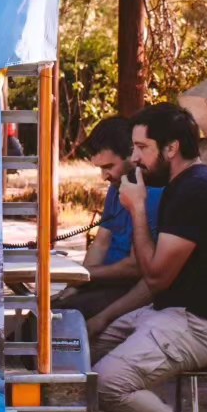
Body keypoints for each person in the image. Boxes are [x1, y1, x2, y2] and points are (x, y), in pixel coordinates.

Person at [93, 103, 207, 412]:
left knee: (108, 382)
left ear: (171, 148)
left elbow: (154, 275)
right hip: (175, 311)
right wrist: (105, 317)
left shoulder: (196, 192)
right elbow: (156, 283)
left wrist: (137, 208)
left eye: (141, 148)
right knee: (84, 344)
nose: (134, 158)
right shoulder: (180, 186)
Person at [54, 116, 163, 321]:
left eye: (109, 167)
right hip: (103, 281)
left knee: (65, 317)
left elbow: (134, 267)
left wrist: (83, 274)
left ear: (132, 156)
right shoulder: (116, 188)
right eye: (100, 169)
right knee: (49, 310)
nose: (104, 176)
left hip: (126, 288)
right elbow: (101, 243)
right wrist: (76, 283)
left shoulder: (153, 195)